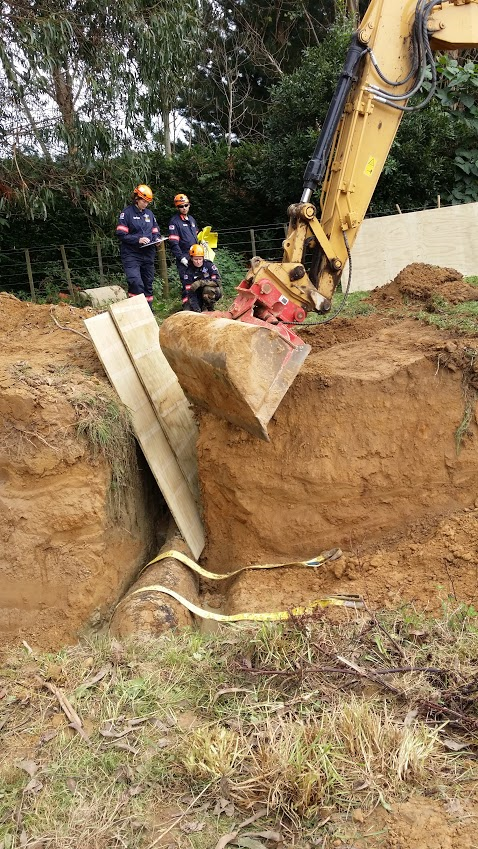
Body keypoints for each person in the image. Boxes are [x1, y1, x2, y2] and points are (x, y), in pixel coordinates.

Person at [116, 184, 161, 309]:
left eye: (147, 202)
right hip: (131, 254)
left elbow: (155, 230)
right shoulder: (127, 213)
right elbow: (121, 234)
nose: (145, 204)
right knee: (135, 282)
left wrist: (157, 239)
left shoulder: (149, 214)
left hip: (148, 253)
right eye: (143, 201)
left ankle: (148, 310)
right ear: (136, 198)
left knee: (148, 283)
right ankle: (136, 309)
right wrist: (138, 239)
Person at [168, 194, 200, 285]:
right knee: (187, 285)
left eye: (186, 205)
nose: (184, 208)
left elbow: (197, 236)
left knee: (198, 282)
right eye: (181, 206)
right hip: (184, 256)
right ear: (178, 208)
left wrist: (202, 242)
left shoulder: (191, 219)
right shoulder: (174, 221)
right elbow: (174, 243)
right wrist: (181, 257)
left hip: (195, 255)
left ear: (189, 205)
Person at [181, 244, 222, 312]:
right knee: (188, 310)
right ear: (191, 258)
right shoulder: (188, 271)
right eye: (196, 259)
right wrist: (196, 308)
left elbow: (217, 281)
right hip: (194, 295)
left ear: (203, 258)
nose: (198, 262)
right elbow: (189, 291)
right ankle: (199, 307)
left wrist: (201, 283)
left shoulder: (209, 265)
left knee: (208, 289)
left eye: (200, 259)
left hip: (207, 292)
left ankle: (209, 307)